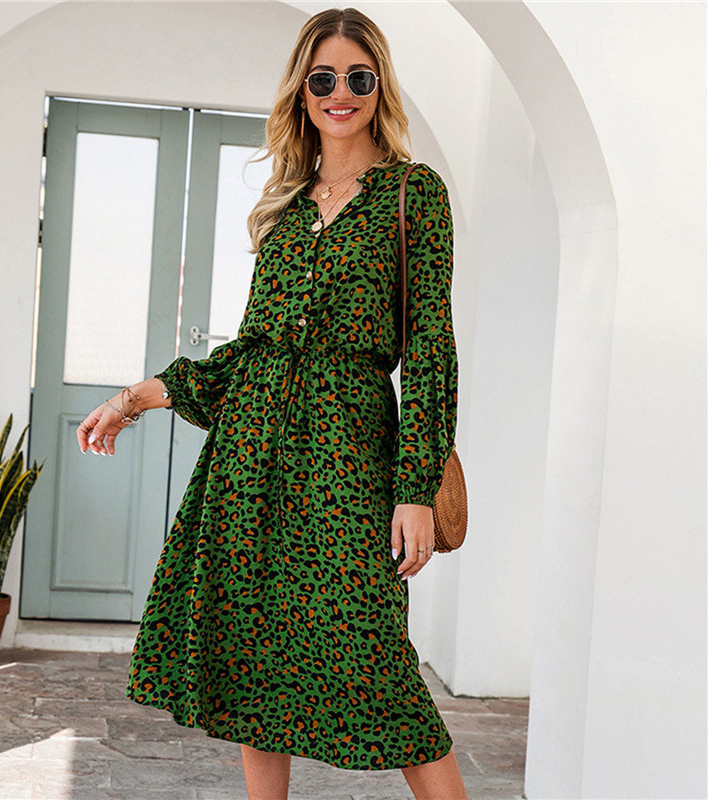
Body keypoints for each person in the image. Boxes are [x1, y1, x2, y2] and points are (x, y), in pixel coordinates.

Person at [76, 7, 467, 800]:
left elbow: (430, 350)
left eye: (358, 77)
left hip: (349, 463)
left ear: (379, 86)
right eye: (323, 78)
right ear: (302, 90)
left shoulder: (412, 194)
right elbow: (251, 355)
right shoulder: (284, 208)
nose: (340, 93)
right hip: (252, 467)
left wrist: (415, 489)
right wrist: (136, 398)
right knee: (252, 660)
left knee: (378, 662)